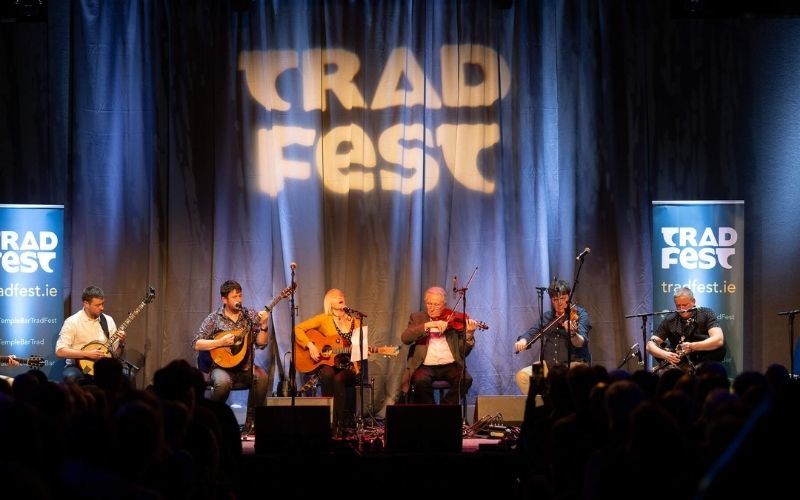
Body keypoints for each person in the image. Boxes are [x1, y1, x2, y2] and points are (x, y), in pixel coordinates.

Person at [192, 280, 270, 435]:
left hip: (245, 368)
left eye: (240, 296)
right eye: (235, 297)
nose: (239, 300)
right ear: (224, 299)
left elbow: (261, 343)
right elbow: (196, 343)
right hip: (221, 368)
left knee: (262, 377)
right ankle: (211, 421)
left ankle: (251, 423)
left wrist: (264, 325)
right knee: (222, 382)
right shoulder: (214, 318)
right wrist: (219, 342)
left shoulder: (249, 316)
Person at [294, 288, 360, 432]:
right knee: (328, 374)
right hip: (329, 362)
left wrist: (364, 355)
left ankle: (340, 423)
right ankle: (327, 420)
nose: (341, 297)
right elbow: (298, 329)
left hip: (347, 366)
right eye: (336, 296)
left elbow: (359, 348)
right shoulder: (324, 319)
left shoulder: (356, 321)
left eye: (342, 295)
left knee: (339, 379)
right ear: (330, 302)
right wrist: (310, 345)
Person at [401, 286, 478, 405]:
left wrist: (469, 335)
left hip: (450, 364)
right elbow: (405, 338)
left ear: (444, 304)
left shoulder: (453, 319)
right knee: (419, 381)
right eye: (429, 303)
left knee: (466, 379)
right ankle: (433, 415)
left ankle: (443, 411)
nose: (431, 308)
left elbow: (464, 352)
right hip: (425, 365)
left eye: (436, 305)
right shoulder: (417, 318)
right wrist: (429, 325)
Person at [514, 279, 591, 396]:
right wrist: (523, 340)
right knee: (523, 376)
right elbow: (532, 332)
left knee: (568, 385)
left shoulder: (580, 314)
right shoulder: (548, 317)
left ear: (569, 296)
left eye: (563, 298)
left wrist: (573, 334)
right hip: (548, 366)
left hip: (573, 365)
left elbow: (581, 342)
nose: (559, 303)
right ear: (551, 300)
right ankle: (544, 406)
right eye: (555, 300)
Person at [55, 285, 127, 383]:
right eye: (98, 305)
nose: (102, 308)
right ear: (86, 304)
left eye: (102, 304)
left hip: (102, 367)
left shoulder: (108, 320)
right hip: (78, 367)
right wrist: (87, 354)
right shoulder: (72, 322)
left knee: (125, 377)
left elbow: (115, 354)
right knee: (71, 377)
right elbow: (60, 351)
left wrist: (121, 344)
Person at [647, 287, 725, 372]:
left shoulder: (706, 313)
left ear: (693, 301)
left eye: (685, 305)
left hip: (705, 363)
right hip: (681, 366)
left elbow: (718, 340)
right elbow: (650, 345)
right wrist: (665, 355)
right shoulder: (670, 319)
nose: (681, 309)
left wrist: (692, 346)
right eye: (678, 305)